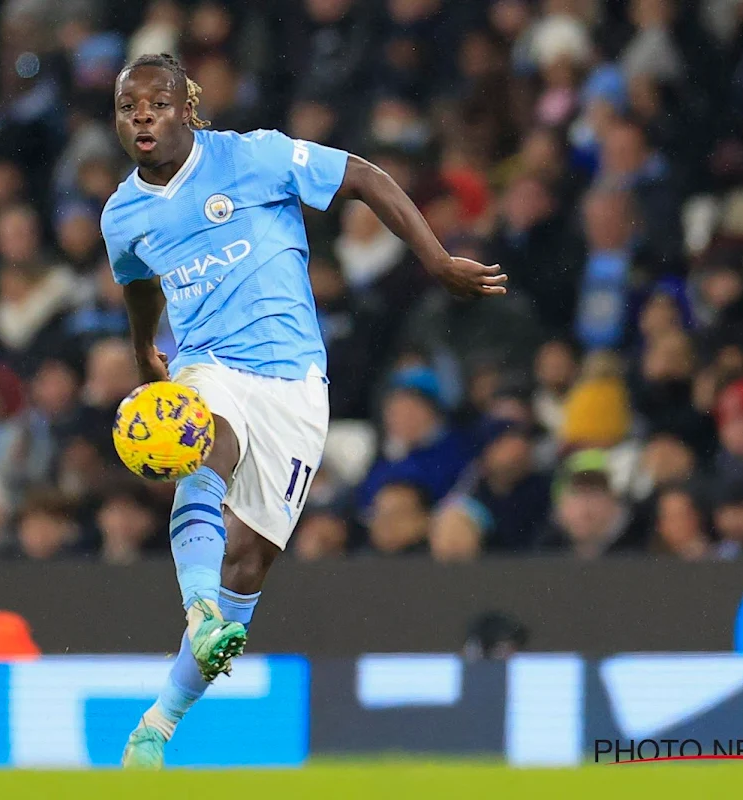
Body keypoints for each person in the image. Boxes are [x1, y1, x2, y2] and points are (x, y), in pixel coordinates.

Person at [102, 53, 507, 768]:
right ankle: (199, 609)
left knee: (250, 563)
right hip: (209, 362)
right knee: (204, 442)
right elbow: (138, 282)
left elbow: (364, 176)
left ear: (185, 109)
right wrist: (145, 355)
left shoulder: (254, 157)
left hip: (294, 384)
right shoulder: (122, 213)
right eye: (128, 105)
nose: (142, 116)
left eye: (156, 104)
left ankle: (157, 726)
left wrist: (437, 259)